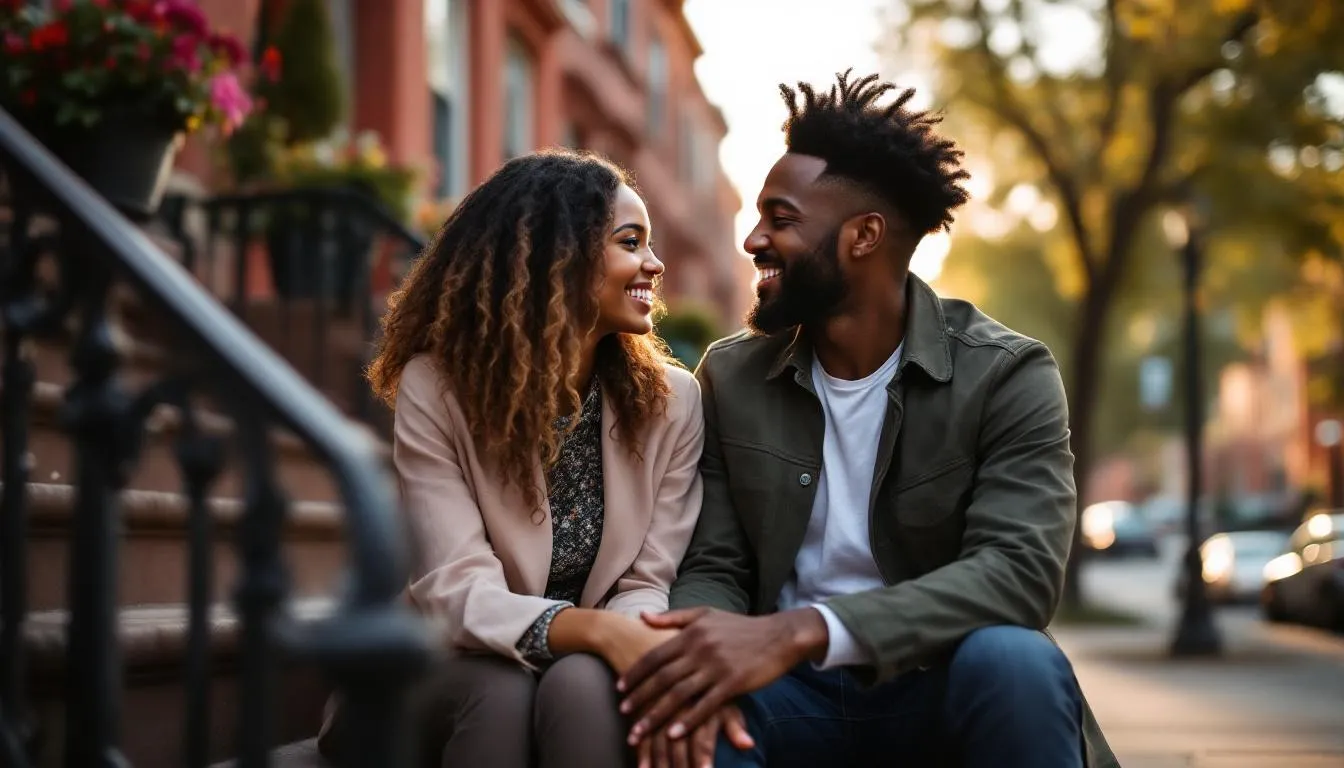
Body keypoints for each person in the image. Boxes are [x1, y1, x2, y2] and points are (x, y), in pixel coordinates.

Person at [615, 72, 1121, 768]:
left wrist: (805, 630)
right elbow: (715, 562)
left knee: (1015, 660)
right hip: (785, 696)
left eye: (781, 218)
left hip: (937, 684)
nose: (754, 240)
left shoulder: (1006, 375)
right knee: (688, 708)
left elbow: (1018, 575)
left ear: (863, 236)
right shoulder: (731, 376)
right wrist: (707, 653)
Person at [319, 149, 724, 768]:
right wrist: (589, 631)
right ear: (557, 257)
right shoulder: (440, 387)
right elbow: (454, 589)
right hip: (443, 668)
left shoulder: (673, 402)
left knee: (583, 684)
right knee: (500, 690)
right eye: (630, 242)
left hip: (582, 668)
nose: (655, 262)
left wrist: (614, 640)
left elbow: (647, 580)